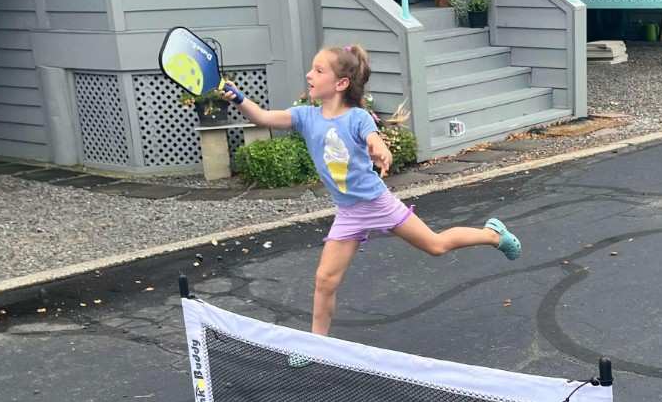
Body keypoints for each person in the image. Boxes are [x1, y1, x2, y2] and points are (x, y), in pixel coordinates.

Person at [221, 44, 521, 336]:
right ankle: (316, 345)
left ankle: (492, 234)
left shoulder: (357, 117)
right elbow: (261, 117)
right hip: (349, 213)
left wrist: (381, 150)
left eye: (318, 69)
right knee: (325, 280)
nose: (309, 75)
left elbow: (373, 138)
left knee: (436, 246)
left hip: (377, 204)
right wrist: (237, 97)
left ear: (340, 83)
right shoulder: (305, 116)